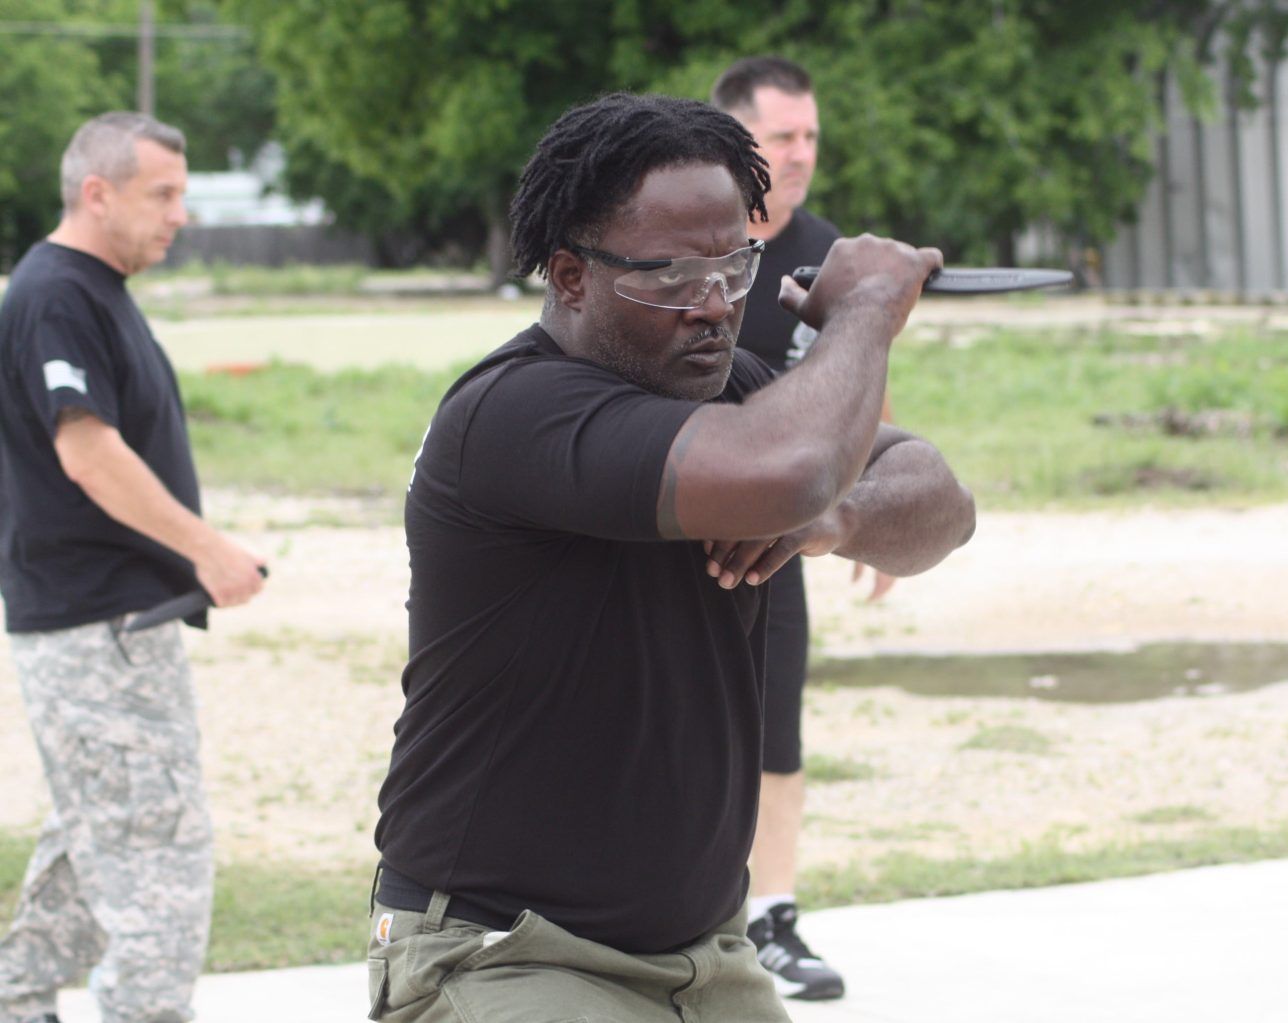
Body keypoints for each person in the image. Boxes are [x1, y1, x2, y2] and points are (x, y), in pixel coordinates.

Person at [366, 92, 974, 1023]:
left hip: (704, 954)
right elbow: (794, 463)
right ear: (569, 276)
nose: (715, 306)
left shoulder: (735, 392)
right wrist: (864, 312)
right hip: (511, 954)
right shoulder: (519, 412)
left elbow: (943, 503)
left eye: (735, 264)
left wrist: (832, 518)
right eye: (673, 276)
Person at [0, 113, 267, 1023]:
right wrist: (209, 548)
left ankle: (18, 997)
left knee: (93, 836)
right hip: (96, 626)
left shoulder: (91, 287)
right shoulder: (56, 295)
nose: (180, 215)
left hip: (103, 624)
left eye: (184, 195)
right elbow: (89, 452)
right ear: (96, 192)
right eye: (163, 194)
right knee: (160, 858)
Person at [712, 54, 892, 1000]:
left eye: (810, 136)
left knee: (775, 728)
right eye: (782, 136)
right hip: (660, 530)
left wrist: (871, 517)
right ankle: (668, 917)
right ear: (736, 137)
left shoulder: (829, 253)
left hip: (775, 542)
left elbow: (862, 383)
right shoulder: (684, 235)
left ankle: (771, 918)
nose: (801, 153)